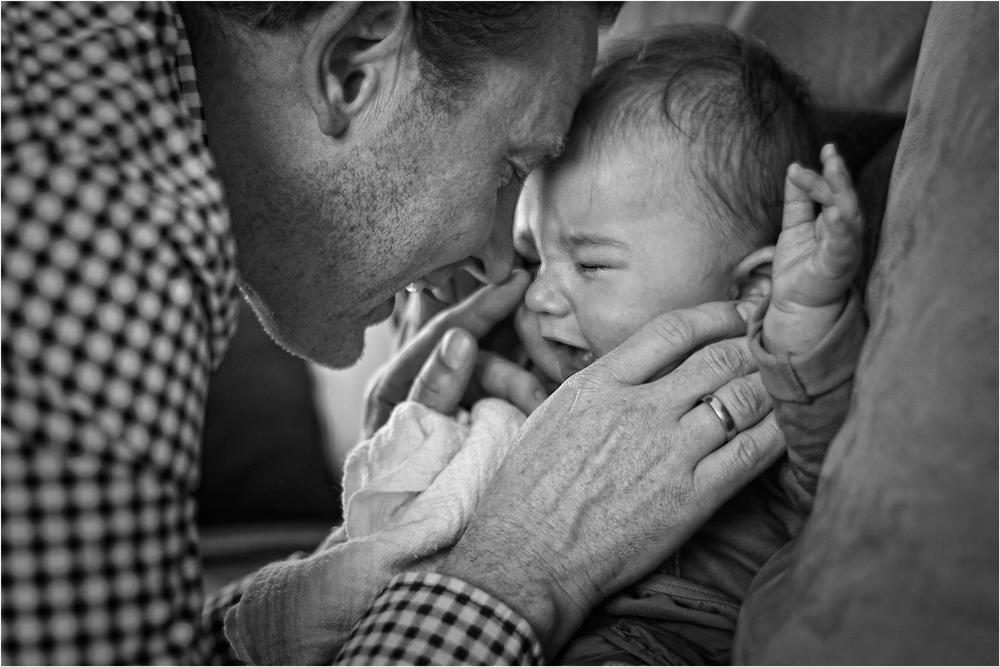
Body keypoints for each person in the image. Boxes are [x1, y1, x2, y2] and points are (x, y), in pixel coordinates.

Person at [2, 3, 785, 664]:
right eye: (511, 167)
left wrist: (371, 558)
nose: (491, 264)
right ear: (353, 69)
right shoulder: (91, 210)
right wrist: (521, 565)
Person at [298, 27, 867, 665]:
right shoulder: (516, 377)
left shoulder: (759, 395)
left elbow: (826, 439)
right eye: (531, 256)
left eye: (590, 265)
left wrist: (803, 316)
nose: (539, 297)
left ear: (752, 285)